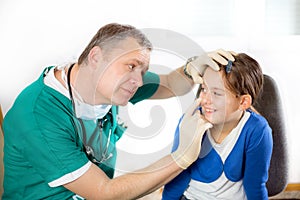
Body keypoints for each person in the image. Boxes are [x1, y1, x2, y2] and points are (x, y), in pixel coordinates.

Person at [2, 23, 234, 199]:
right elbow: (103, 193)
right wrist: (181, 156)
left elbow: (171, 85)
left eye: (142, 71)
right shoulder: (39, 114)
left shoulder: (104, 84)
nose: (138, 81)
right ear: (95, 57)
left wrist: (192, 66)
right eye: (131, 66)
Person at [162, 53, 273, 200]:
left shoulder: (257, 130)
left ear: (243, 102)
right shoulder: (191, 122)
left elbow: (255, 185)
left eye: (217, 93)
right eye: (204, 89)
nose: (205, 99)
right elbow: (176, 177)